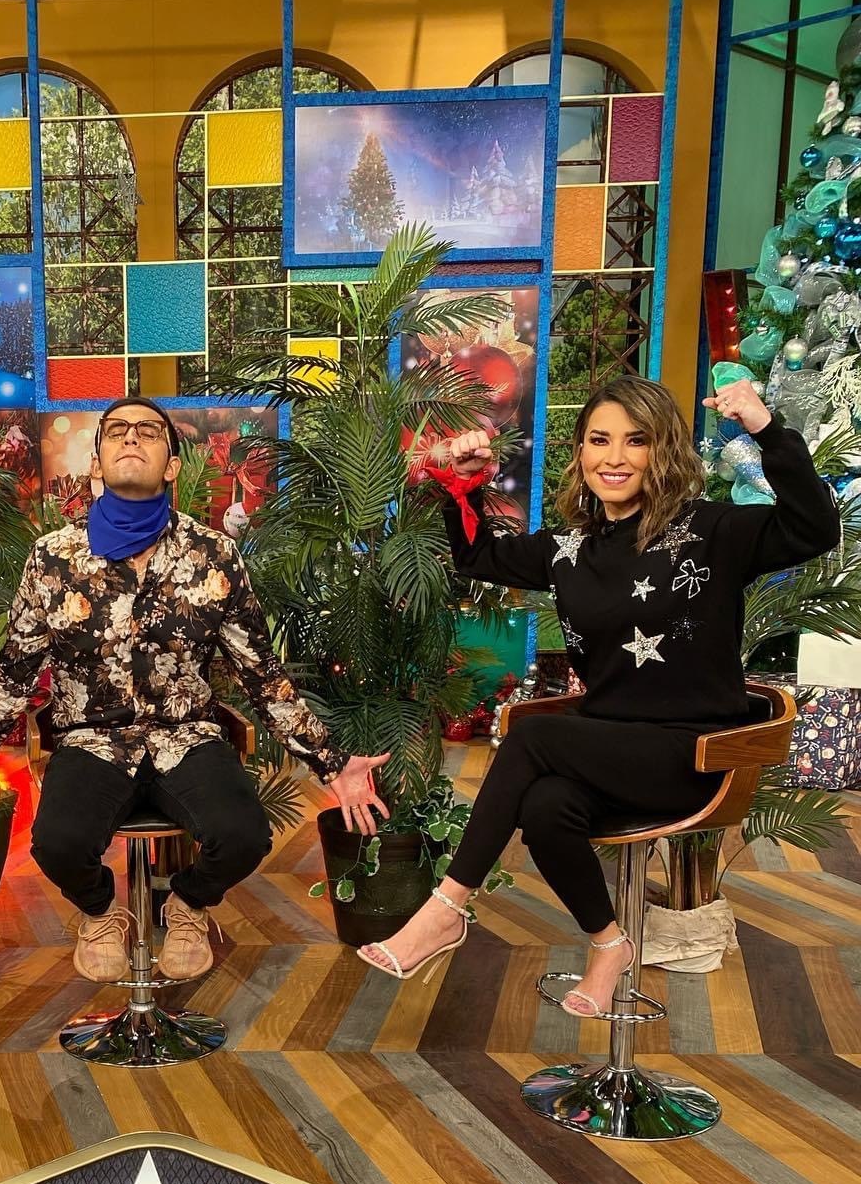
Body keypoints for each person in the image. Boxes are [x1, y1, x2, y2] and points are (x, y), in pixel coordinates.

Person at [360, 373, 841, 1010]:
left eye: (636, 440)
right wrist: (463, 485)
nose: (615, 457)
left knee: (533, 733)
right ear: (581, 451)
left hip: (691, 756)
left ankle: (446, 908)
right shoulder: (570, 548)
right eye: (599, 439)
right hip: (607, 751)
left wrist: (765, 428)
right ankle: (609, 944)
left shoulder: (712, 531)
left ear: (663, 450)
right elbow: (478, 558)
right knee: (546, 807)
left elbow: (815, 529)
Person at [0, 398, 388, 981]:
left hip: (188, 736)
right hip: (91, 741)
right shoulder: (53, 558)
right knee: (57, 844)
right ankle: (102, 913)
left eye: (148, 431)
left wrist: (331, 763)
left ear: (172, 464)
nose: (131, 438)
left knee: (244, 836)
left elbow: (261, 674)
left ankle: (188, 905)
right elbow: (14, 675)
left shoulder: (214, 554)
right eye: (117, 431)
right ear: (97, 460)